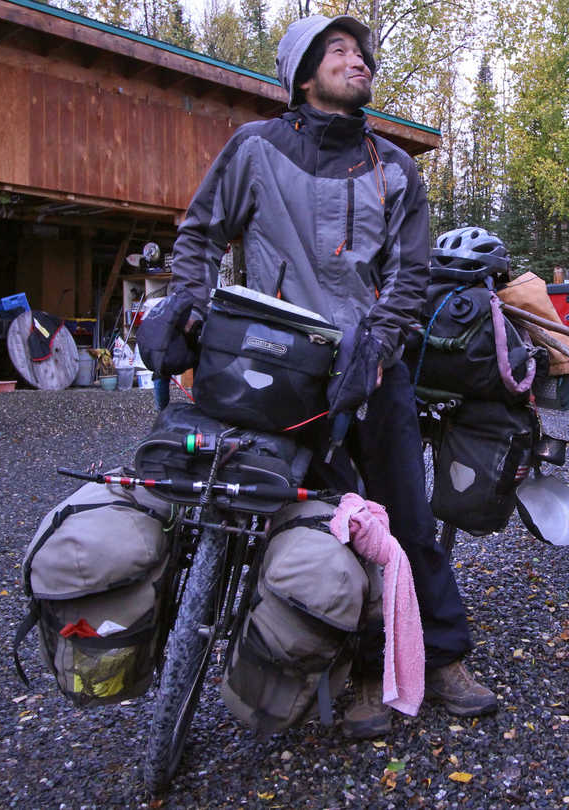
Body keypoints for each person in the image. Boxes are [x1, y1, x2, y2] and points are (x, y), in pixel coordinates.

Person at [163, 15, 496, 737]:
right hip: (275, 362)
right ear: (302, 74)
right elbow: (199, 238)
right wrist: (186, 309)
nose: (358, 61)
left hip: (369, 367)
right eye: (337, 51)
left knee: (403, 519)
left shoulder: (394, 167)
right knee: (308, 523)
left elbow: (411, 278)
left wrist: (374, 350)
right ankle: (355, 667)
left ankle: (439, 658)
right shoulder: (255, 149)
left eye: (362, 53)